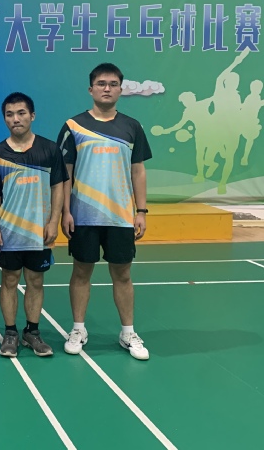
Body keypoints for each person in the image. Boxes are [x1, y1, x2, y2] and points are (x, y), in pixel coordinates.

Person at [57, 63, 152, 360]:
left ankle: (128, 332)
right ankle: (78, 329)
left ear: (121, 89)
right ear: (91, 89)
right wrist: (65, 211)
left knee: (122, 274)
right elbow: (65, 173)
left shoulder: (132, 126)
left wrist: (141, 211)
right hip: (83, 215)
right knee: (81, 271)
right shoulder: (73, 126)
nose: (107, 88)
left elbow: (138, 171)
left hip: (121, 216)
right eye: (101, 83)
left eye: (113, 84)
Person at [0, 92, 66, 358]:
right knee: (9, 280)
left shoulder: (50, 150)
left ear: (32, 115)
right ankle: (10, 333)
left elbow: (58, 187)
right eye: (9, 114)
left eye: (21, 113)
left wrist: (53, 221)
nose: (15, 119)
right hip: (9, 231)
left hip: (39, 231)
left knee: (35, 280)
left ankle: (32, 332)